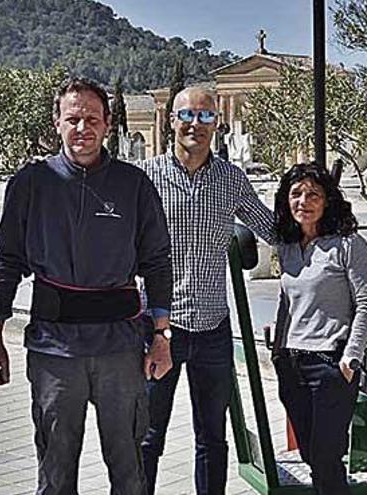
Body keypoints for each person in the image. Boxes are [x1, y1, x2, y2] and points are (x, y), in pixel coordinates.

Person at [0, 77, 173, 495]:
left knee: (129, 470)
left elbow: (158, 263)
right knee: (54, 471)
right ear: (57, 123)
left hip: (119, 350)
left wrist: (161, 336)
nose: (82, 128)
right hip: (54, 351)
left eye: (91, 119)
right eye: (73, 119)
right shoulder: (31, 184)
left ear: (107, 124)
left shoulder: (133, 185)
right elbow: (5, 261)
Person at [138, 86, 278, 495]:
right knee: (148, 437)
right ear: (172, 121)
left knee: (213, 439)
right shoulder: (146, 178)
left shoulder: (231, 180)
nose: (195, 125)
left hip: (213, 329)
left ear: (217, 124)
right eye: (187, 115)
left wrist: (323, 229)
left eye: (205, 117)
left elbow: (271, 228)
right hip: (159, 330)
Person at [271, 162, 367, 495]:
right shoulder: (288, 248)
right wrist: (277, 351)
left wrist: (351, 357)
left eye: (313, 194)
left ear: (328, 200)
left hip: (330, 367)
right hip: (292, 366)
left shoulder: (348, 245)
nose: (304, 201)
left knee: (327, 458)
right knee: (310, 456)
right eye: (296, 194)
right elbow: (286, 302)